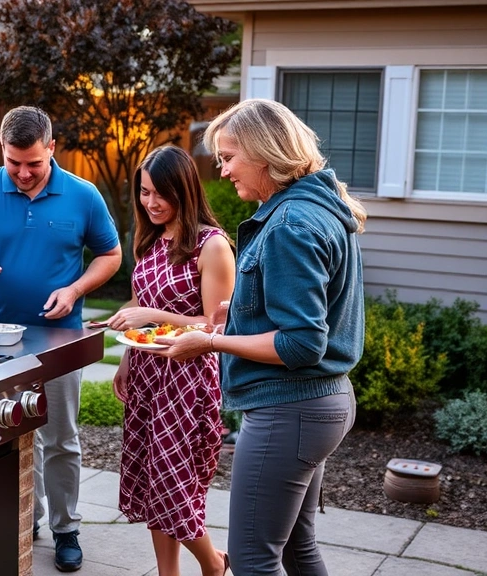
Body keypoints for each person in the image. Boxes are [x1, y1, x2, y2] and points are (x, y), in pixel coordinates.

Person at [152, 98, 366, 576]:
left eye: (228, 158)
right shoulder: (317, 207)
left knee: (251, 559)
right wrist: (242, 313)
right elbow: (310, 312)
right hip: (323, 402)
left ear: (264, 153)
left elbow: (301, 342)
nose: (223, 171)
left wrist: (210, 342)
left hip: (290, 409)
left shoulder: (290, 224)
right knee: (297, 548)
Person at [0, 105, 122, 572]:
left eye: (33, 163)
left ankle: (66, 529)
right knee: (7, 435)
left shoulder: (83, 195)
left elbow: (111, 255)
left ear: (52, 148)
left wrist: (75, 289)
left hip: (58, 339)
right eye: (14, 163)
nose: (23, 173)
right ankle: (24, 519)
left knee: (60, 438)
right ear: (2, 150)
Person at [105, 146, 235, 576]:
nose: (152, 203)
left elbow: (217, 327)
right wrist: (127, 358)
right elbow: (142, 315)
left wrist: (154, 317)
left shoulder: (211, 246)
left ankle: (213, 564)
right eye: (144, 192)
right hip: (148, 376)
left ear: (185, 190)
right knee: (151, 483)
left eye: (162, 193)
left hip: (188, 379)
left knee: (174, 484)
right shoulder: (148, 241)